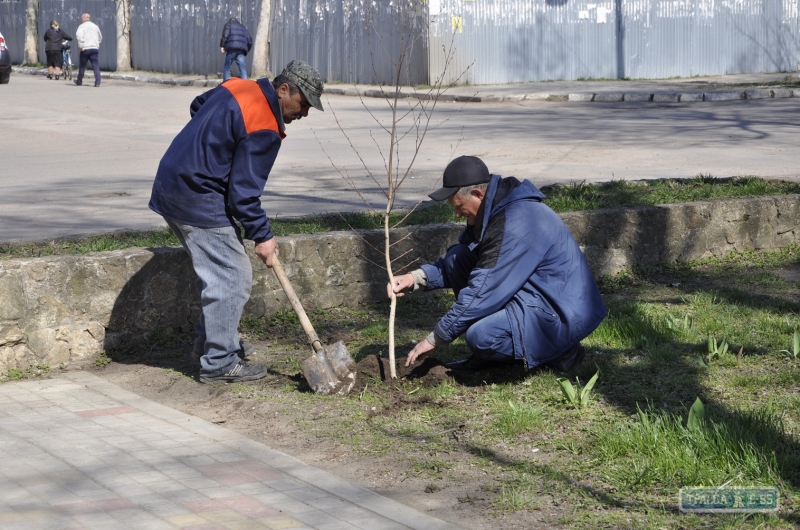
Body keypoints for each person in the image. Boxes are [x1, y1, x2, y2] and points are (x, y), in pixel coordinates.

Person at [149, 60, 325, 384]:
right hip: (196, 196)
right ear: (284, 90)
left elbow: (198, 106)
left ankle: (212, 344)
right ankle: (219, 362)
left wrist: (211, 150)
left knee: (219, 273)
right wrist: (263, 236)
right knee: (233, 274)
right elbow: (243, 194)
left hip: (172, 181)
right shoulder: (265, 126)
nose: (304, 113)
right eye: (304, 104)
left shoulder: (238, 86)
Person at [389, 156, 607, 373]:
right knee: (458, 256)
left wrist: (436, 337)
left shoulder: (514, 224)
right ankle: (496, 357)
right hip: (533, 293)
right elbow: (463, 265)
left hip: (559, 312)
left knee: (481, 336)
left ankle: (563, 352)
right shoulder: (493, 211)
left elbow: (483, 291)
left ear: (477, 194)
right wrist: (415, 278)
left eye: (459, 207)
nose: (456, 214)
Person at [219, 17, 252, 82]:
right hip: (241, 50)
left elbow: (225, 36)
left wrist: (222, 46)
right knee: (242, 68)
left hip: (232, 48)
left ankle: (225, 84)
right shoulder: (243, 27)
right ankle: (245, 85)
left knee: (227, 67)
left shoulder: (228, 25)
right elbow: (250, 40)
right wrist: (248, 49)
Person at [74, 13, 102, 87]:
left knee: (82, 65)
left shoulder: (81, 26)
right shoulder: (95, 26)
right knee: (95, 65)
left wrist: (81, 46)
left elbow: (79, 36)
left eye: (82, 18)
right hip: (94, 48)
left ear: (83, 18)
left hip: (85, 48)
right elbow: (100, 37)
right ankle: (97, 82)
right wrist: (96, 44)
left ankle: (79, 81)